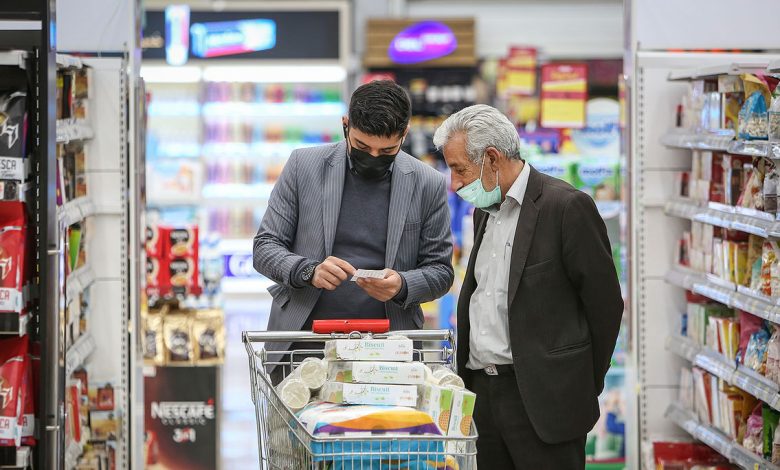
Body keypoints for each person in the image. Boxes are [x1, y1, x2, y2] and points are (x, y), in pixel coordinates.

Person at [433, 104, 624, 469]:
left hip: (545, 402)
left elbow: (606, 307)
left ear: (492, 159)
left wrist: (579, 383)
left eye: (460, 169)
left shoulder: (566, 207)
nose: (454, 183)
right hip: (483, 396)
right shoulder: (484, 211)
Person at [253, 80, 454, 380]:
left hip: (390, 350)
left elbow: (441, 271)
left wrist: (402, 285)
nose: (373, 157)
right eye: (361, 146)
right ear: (345, 125)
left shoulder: (428, 183)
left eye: (387, 150)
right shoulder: (303, 166)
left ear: (405, 134)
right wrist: (308, 271)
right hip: (304, 344)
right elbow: (265, 247)